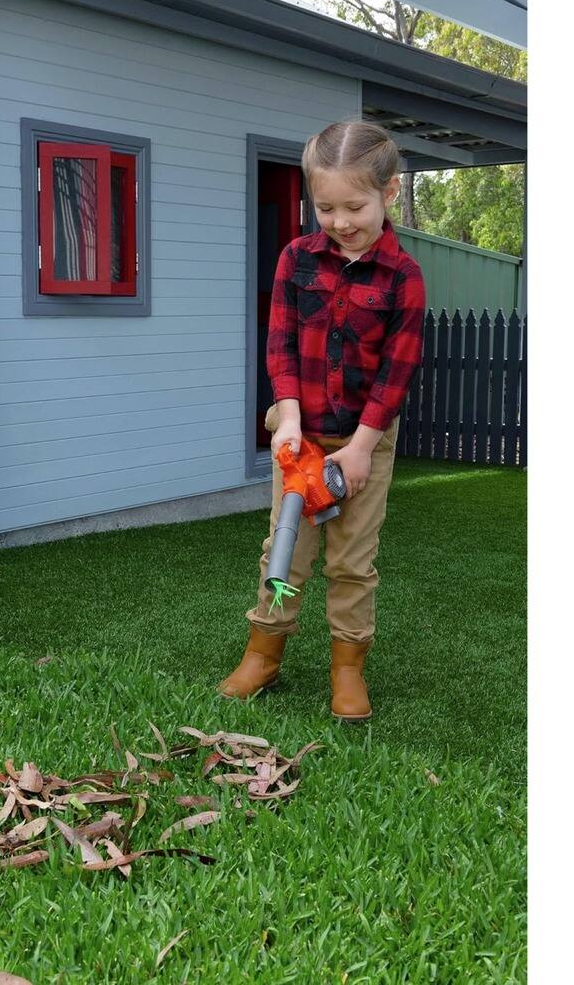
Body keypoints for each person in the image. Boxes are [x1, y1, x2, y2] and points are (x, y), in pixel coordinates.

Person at [217, 119, 426, 721]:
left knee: (351, 563)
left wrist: (361, 448)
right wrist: (286, 418)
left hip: (363, 445)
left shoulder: (403, 278)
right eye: (325, 206)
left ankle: (348, 669)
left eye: (354, 206)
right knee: (284, 554)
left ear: (388, 194)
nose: (339, 221)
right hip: (299, 442)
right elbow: (280, 344)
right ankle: (264, 654)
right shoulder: (296, 261)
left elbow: (396, 371)